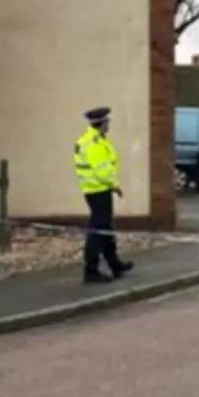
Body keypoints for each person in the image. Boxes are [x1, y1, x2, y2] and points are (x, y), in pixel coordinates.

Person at [73, 107, 134, 284]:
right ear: (101, 123)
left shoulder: (95, 140)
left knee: (106, 227)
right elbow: (102, 170)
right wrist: (115, 185)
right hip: (97, 189)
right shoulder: (94, 143)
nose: (109, 125)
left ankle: (114, 263)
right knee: (98, 230)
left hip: (96, 189)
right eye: (107, 122)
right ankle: (91, 271)